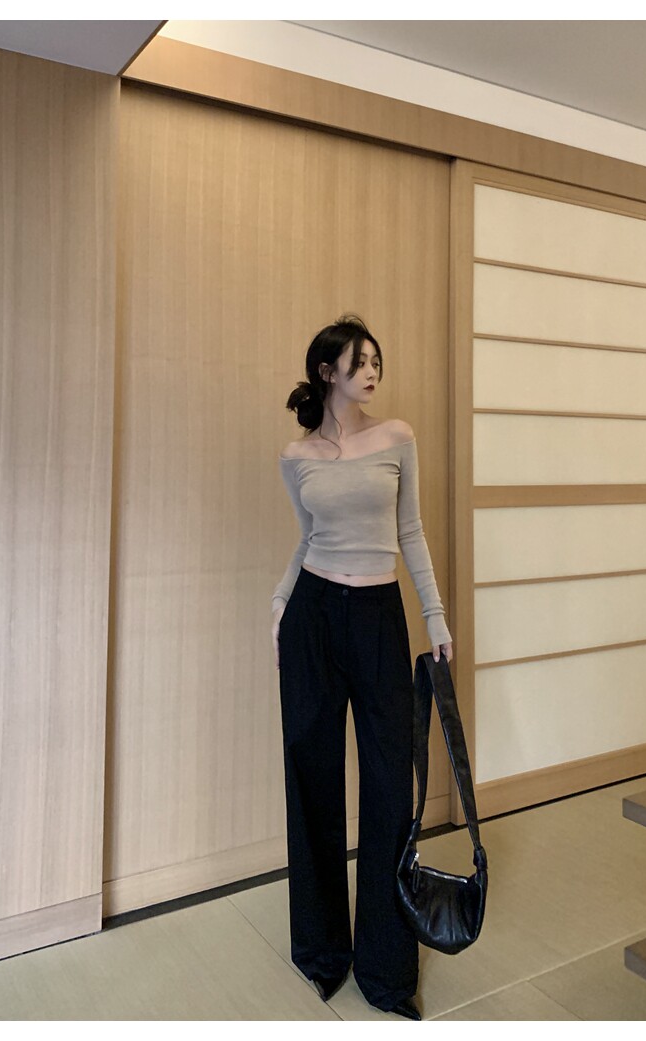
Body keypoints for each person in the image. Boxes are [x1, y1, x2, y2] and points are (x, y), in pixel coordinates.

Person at [271, 314, 453, 1021]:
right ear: (327, 371)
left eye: (377, 360)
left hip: (379, 616)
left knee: (388, 789)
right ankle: (322, 952)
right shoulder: (296, 455)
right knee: (312, 778)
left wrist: (435, 617)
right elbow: (307, 537)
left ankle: (385, 970)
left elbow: (411, 531)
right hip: (313, 616)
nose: (372, 371)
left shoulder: (397, 436)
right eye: (359, 361)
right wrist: (280, 604)